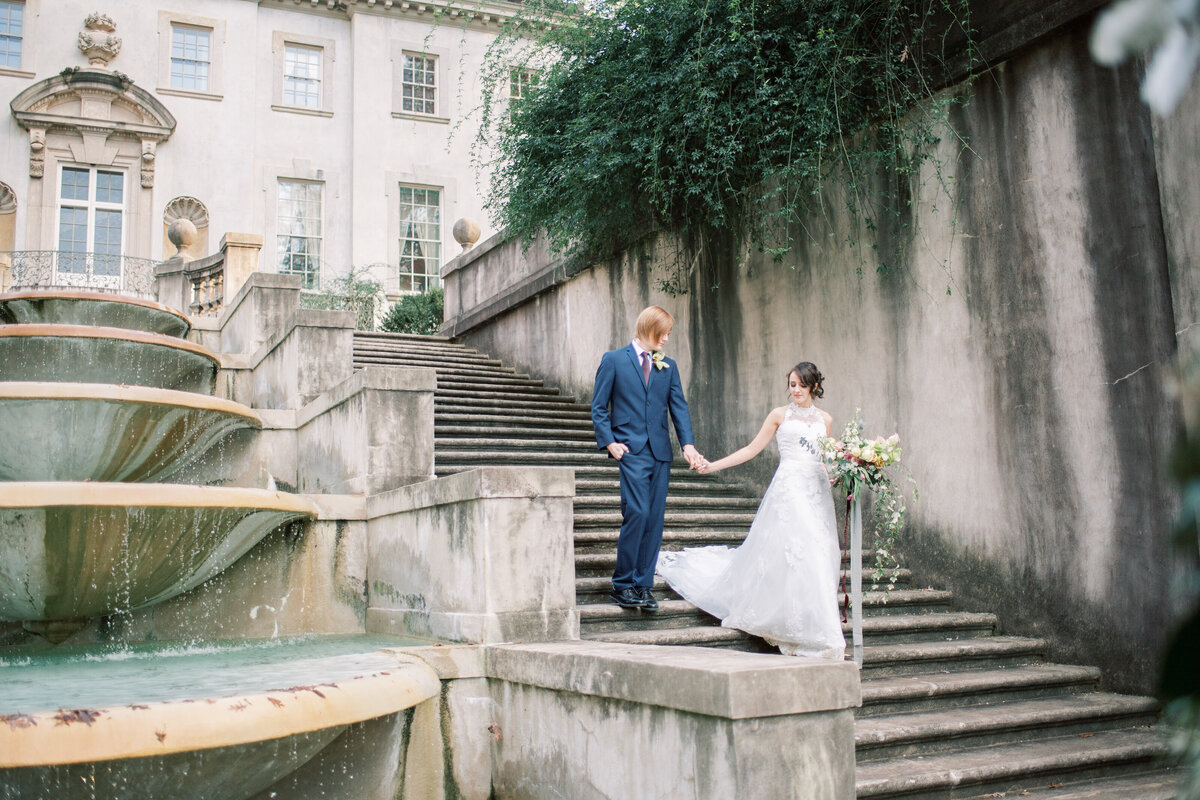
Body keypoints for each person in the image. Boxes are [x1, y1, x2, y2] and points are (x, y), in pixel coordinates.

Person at [657, 362, 846, 659]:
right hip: (789, 490)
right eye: (791, 384)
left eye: (799, 384)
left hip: (816, 492)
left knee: (818, 553)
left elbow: (825, 459)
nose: (794, 390)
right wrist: (713, 466)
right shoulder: (778, 415)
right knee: (794, 551)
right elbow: (750, 449)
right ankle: (789, 622)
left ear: (812, 385)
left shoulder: (826, 419)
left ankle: (820, 629)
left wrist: (842, 473)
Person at [591, 306, 706, 611]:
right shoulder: (613, 360)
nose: (667, 338)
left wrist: (688, 446)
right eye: (664, 332)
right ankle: (623, 584)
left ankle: (643, 586)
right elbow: (599, 407)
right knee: (638, 512)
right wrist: (610, 443)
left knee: (654, 520)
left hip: (660, 453)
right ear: (649, 329)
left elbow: (678, 407)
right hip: (630, 451)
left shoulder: (668, 366)